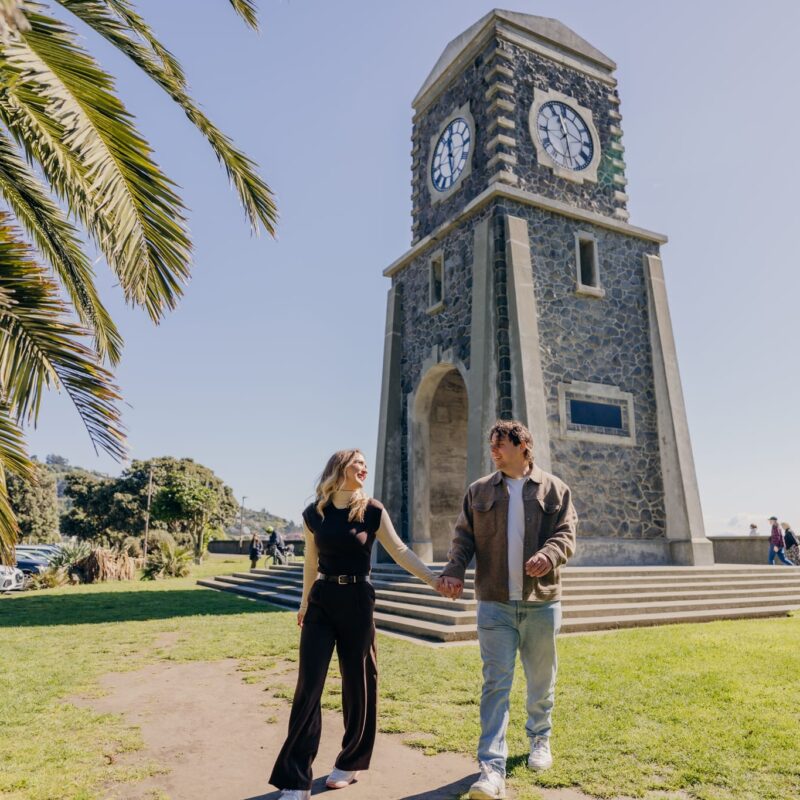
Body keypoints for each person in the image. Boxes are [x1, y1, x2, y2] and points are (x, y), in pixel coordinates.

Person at [269, 449, 446, 800]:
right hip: (322, 601)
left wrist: (434, 579)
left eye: (365, 464)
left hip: (358, 600)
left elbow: (400, 552)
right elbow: (310, 561)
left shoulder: (372, 510)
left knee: (359, 683)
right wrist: (304, 603)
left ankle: (350, 761)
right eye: (357, 463)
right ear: (340, 468)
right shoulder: (313, 513)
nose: (364, 468)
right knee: (309, 686)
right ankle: (295, 778)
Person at [438, 420, 577, 800]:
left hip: (541, 603)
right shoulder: (479, 490)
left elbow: (566, 534)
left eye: (501, 444)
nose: (494, 451)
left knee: (540, 679)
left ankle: (539, 740)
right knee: (495, 684)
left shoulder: (555, 489)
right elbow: (462, 538)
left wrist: (549, 555)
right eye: (492, 445)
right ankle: (491, 768)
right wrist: (453, 571)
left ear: (523, 446)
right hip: (494, 603)